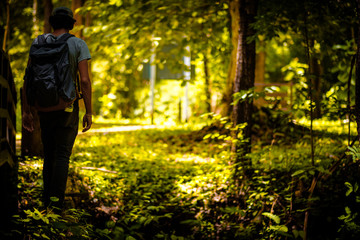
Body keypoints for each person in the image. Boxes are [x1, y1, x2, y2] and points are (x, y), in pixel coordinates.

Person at [22, 6, 92, 209]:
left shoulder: (38, 42)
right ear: (71, 24)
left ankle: (46, 201)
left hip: (43, 107)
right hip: (66, 106)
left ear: (52, 22)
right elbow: (85, 81)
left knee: (49, 154)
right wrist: (88, 110)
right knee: (62, 155)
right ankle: (56, 205)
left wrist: (27, 111)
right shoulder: (78, 43)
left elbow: (28, 78)